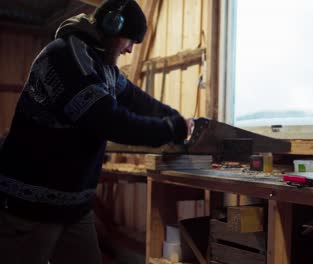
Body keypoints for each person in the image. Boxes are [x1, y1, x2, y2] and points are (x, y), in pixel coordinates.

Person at [0, 0, 191, 263]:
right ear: (112, 25)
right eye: (129, 40)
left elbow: (136, 99)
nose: (130, 50)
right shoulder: (64, 57)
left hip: (73, 209)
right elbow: (109, 121)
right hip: (30, 208)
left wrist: (174, 116)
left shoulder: (101, 66)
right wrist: (171, 129)